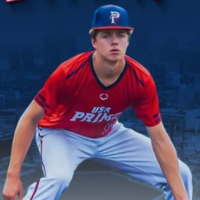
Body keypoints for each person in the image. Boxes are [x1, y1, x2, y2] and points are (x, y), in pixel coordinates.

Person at [3, 4, 192, 200]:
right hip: (61, 134)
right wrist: (12, 175)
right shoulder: (69, 72)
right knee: (59, 178)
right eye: (106, 35)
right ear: (93, 41)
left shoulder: (140, 79)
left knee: (182, 174)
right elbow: (30, 117)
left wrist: (181, 197)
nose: (114, 42)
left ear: (128, 40)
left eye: (120, 34)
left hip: (107, 133)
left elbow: (159, 137)